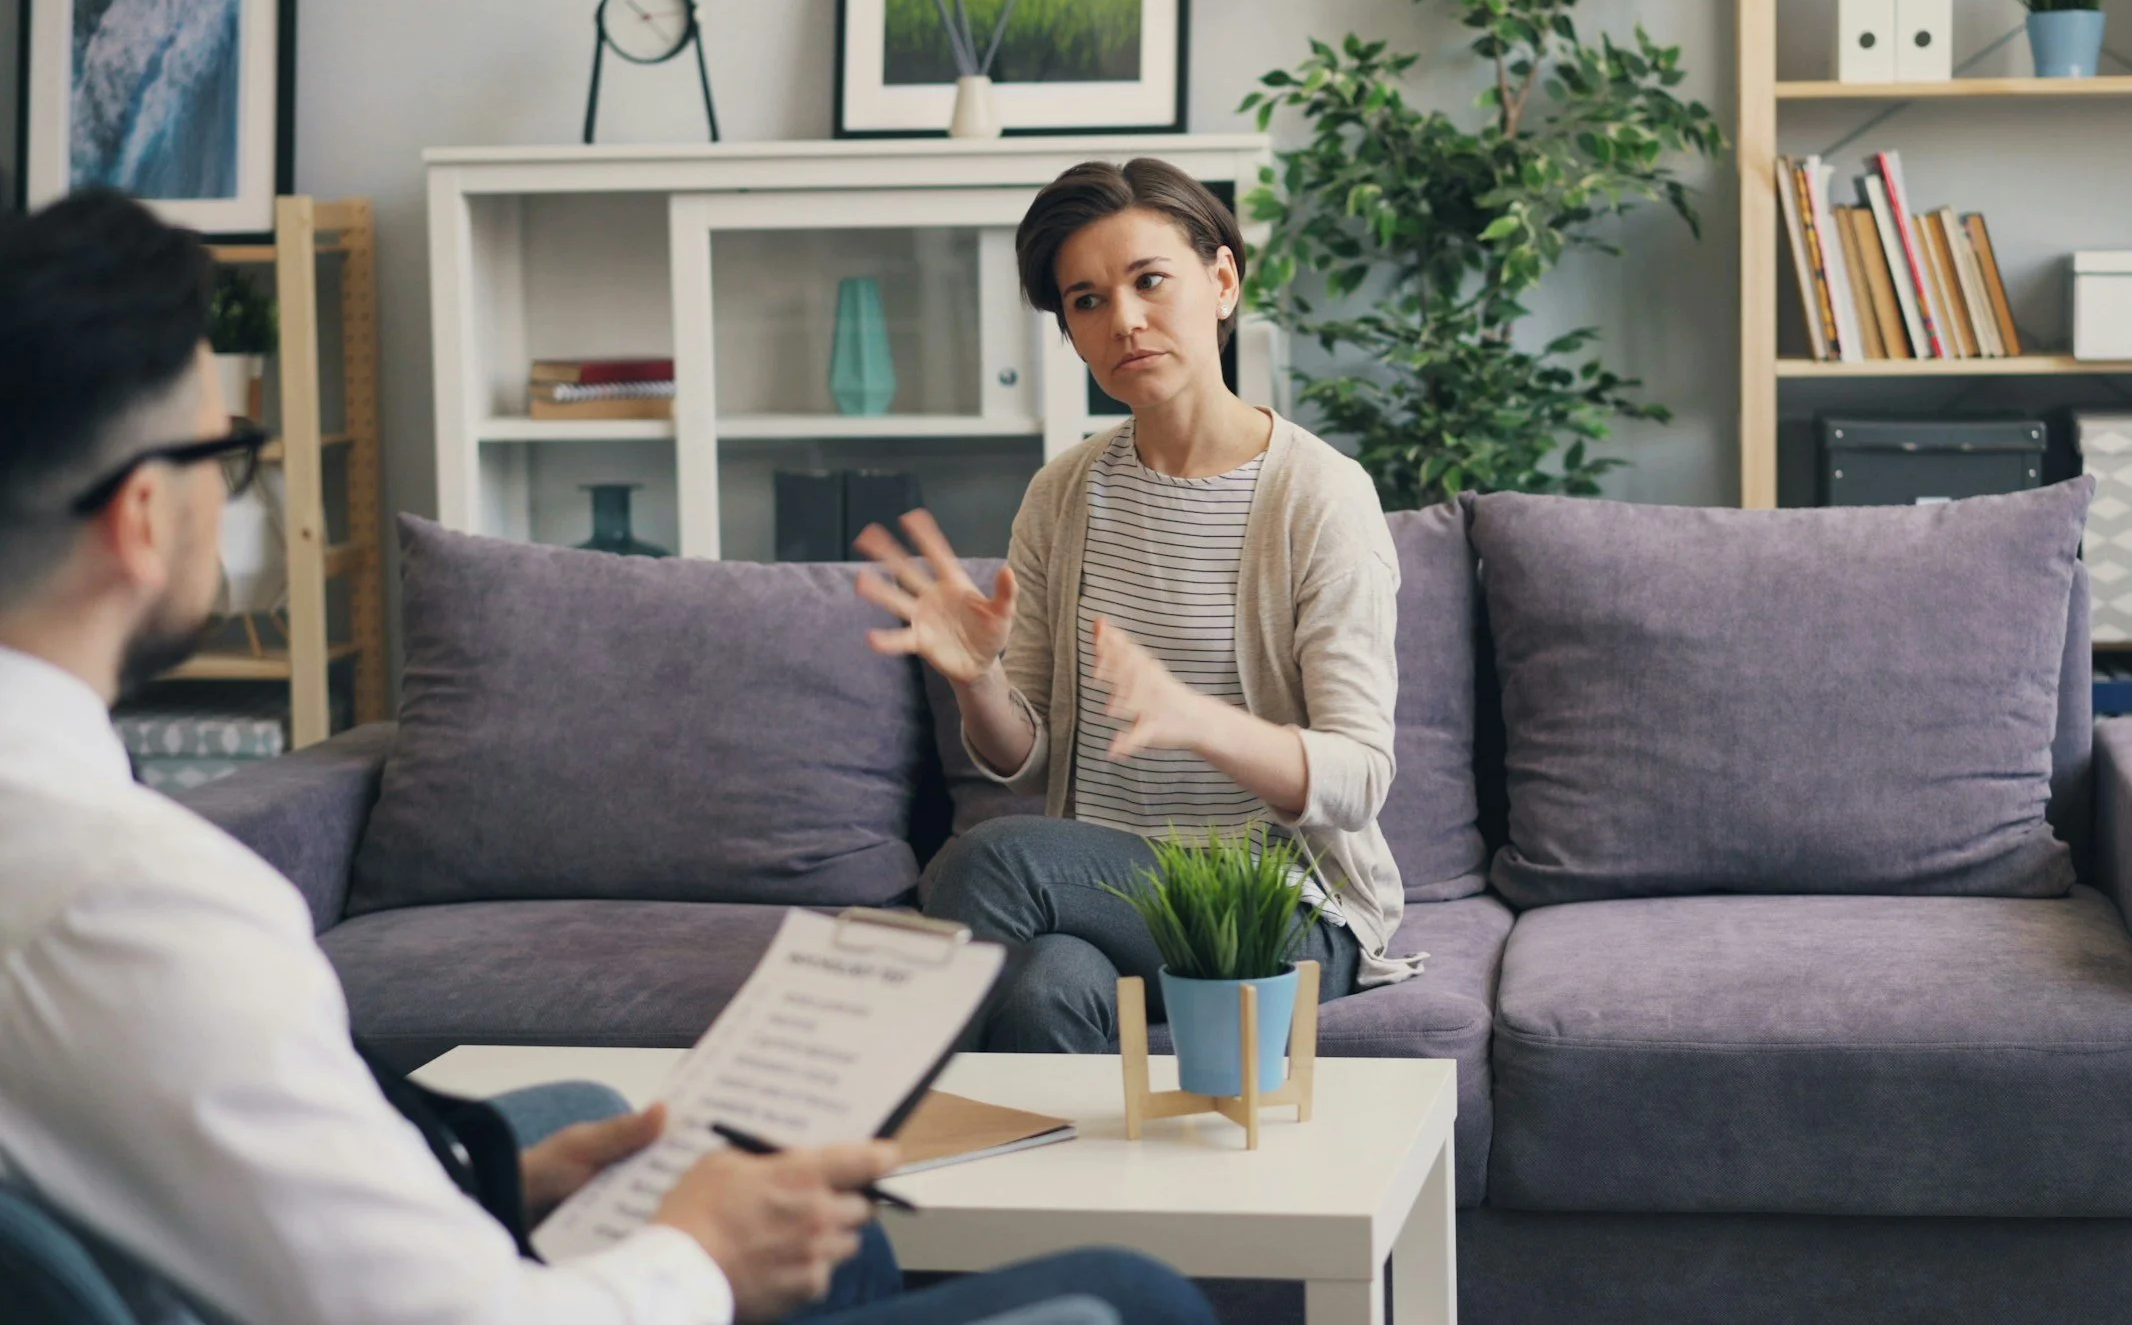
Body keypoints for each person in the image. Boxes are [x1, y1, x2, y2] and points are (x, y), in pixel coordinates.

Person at [0, 188, 1214, 1325]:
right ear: (144, 517)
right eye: (231, 453)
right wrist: (696, 1248)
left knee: (750, 1193)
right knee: (1125, 1287)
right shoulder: (139, 901)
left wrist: (503, 1181)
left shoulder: (63, 848)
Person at [858, 158, 1420, 1056]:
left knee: (992, 859)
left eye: (1149, 280)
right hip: (1112, 900)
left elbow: (1358, 779)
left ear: (1223, 279)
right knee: (1044, 991)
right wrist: (976, 681)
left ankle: (864, 1127)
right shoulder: (1065, 493)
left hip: (1284, 909)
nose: (1122, 320)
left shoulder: (1320, 495)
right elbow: (1027, 757)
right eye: (1084, 302)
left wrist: (1195, 719)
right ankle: (1072, 1196)